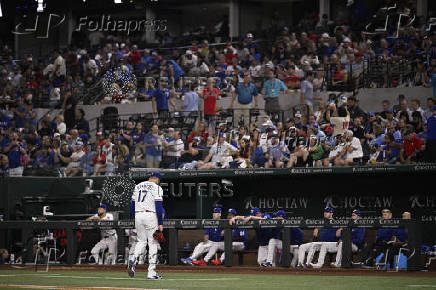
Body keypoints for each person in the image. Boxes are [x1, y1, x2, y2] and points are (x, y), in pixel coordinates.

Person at [127, 171, 164, 279]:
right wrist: (160, 223)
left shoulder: (137, 186)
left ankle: (132, 259)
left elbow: (132, 205)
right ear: (157, 179)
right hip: (150, 215)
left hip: (138, 215)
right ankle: (151, 272)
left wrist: (135, 218)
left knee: (141, 241)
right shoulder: (157, 187)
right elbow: (158, 206)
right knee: (153, 243)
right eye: (159, 180)